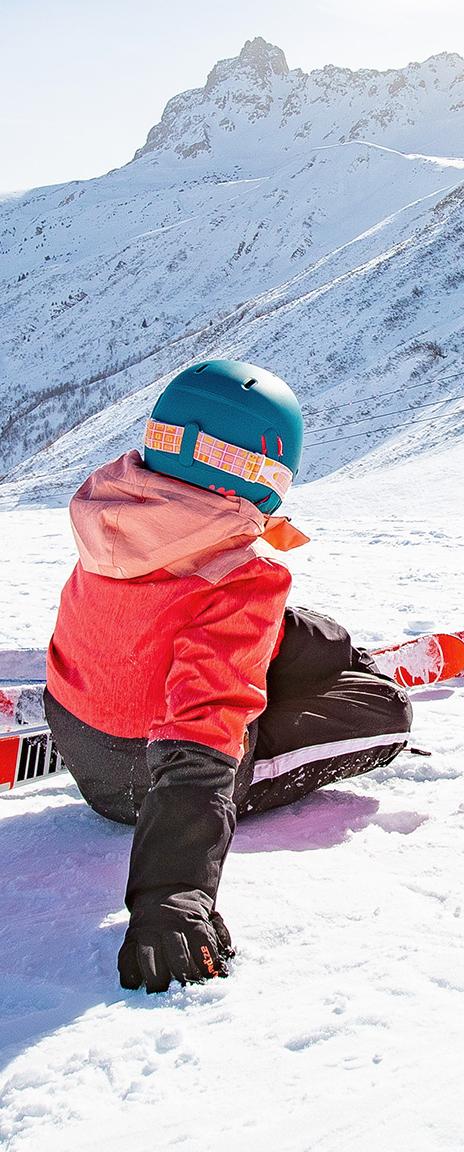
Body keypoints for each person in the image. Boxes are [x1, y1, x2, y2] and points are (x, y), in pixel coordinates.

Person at [45, 360, 412, 994]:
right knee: (384, 711)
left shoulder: (112, 517)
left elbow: (178, 616)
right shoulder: (244, 578)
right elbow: (201, 735)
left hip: (78, 729)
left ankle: (332, 655)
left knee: (290, 633)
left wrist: (325, 643)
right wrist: (172, 898)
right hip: (148, 787)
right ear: (264, 474)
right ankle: (357, 672)